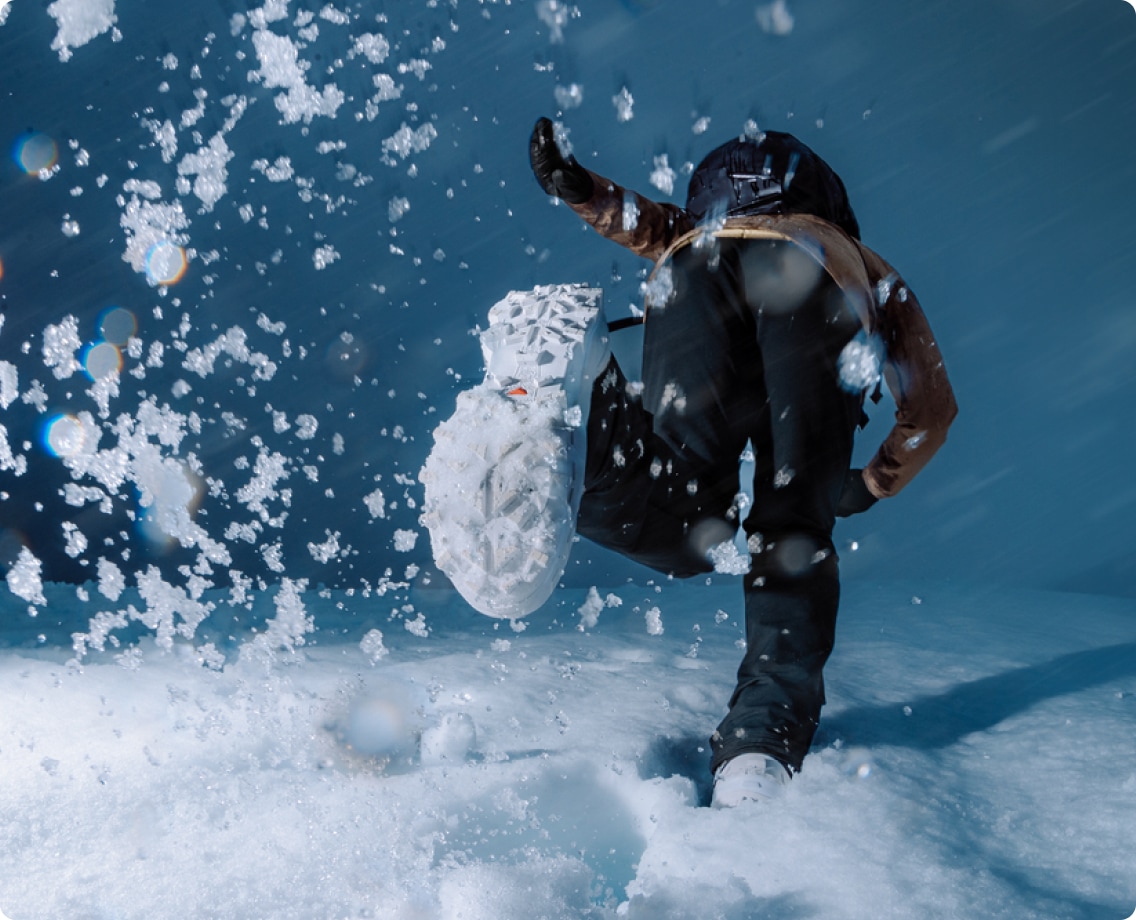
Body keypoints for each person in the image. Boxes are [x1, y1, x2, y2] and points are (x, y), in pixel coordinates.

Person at [525, 116, 958, 806]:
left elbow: (644, 223)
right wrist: (870, 484)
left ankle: (585, 429)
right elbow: (930, 411)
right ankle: (761, 739)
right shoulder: (855, 255)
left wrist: (578, 188)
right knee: (791, 529)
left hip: (691, 275)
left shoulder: (697, 231)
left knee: (681, 498)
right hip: (814, 287)